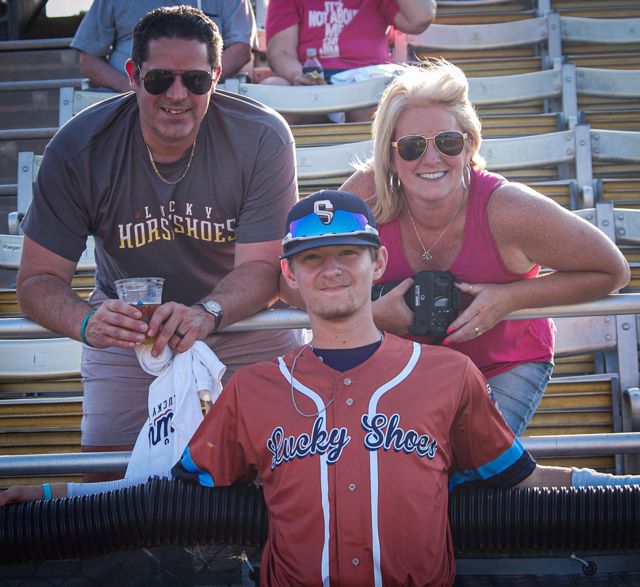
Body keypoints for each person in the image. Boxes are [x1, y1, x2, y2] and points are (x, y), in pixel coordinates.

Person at [3, 191, 639, 586]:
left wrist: (621, 490)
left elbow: (523, 483)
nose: (331, 270)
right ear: (289, 276)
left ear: (377, 262)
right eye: (312, 258)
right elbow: (166, 495)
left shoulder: (449, 374)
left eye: (348, 253)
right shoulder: (254, 389)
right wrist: (55, 496)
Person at [16, 5, 300, 481]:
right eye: (159, 79)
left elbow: (263, 269)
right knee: (109, 488)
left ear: (216, 76)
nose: (177, 95)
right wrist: (88, 323)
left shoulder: (261, 136)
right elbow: (36, 281)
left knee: (285, 470)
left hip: (242, 318)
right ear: (132, 75)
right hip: (130, 330)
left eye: (195, 81)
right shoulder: (78, 147)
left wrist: (206, 313)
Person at [339, 60, 631, 435]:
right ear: (390, 157)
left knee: (471, 463)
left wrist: (508, 298)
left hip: (501, 365)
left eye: (447, 142)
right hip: (402, 366)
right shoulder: (366, 197)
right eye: (412, 147)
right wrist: (369, 315)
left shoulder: (508, 209)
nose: (431, 158)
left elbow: (613, 270)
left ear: (469, 145)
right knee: (395, 460)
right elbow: (295, 279)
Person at [262, 0, 437, 123]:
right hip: (312, 82)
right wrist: (297, 75)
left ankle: (374, 164)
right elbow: (281, 51)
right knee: (271, 90)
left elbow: (421, 17)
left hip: (368, 82)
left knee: (377, 102)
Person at [71, 0, 256, 92]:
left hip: (202, 97)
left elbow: (241, 49)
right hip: (123, 97)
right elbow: (88, 60)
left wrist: (197, 84)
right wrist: (135, 89)